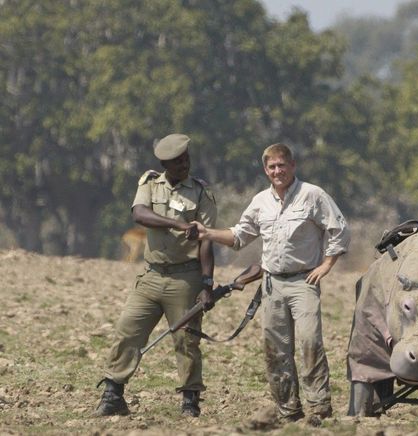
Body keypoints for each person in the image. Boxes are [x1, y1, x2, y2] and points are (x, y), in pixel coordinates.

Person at [192, 143, 350, 423]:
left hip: (304, 280)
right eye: (272, 167)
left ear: (292, 166)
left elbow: (338, 228)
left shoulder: (312, 195)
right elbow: (240, 236)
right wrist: (208, 233)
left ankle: (319, 409)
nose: (277, 171)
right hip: (272, 283)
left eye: (282, 165)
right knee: (276, 349)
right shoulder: (260, 201)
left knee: (310, 341)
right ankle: (289, 410)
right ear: (266, 170)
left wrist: (327, 264)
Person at [95, 133, 217, 417]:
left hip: (185, 277)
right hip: (151, 276)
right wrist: (177, 223)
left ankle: (190, 402)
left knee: (187, 341)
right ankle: (113, 394)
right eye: (177, 162)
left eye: (186, 159)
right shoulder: (150, 183)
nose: (184, 165)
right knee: (127, 331)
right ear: (165, 164)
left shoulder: (201, 192)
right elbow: (139, 215)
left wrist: (207, 284)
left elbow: (207, 241)